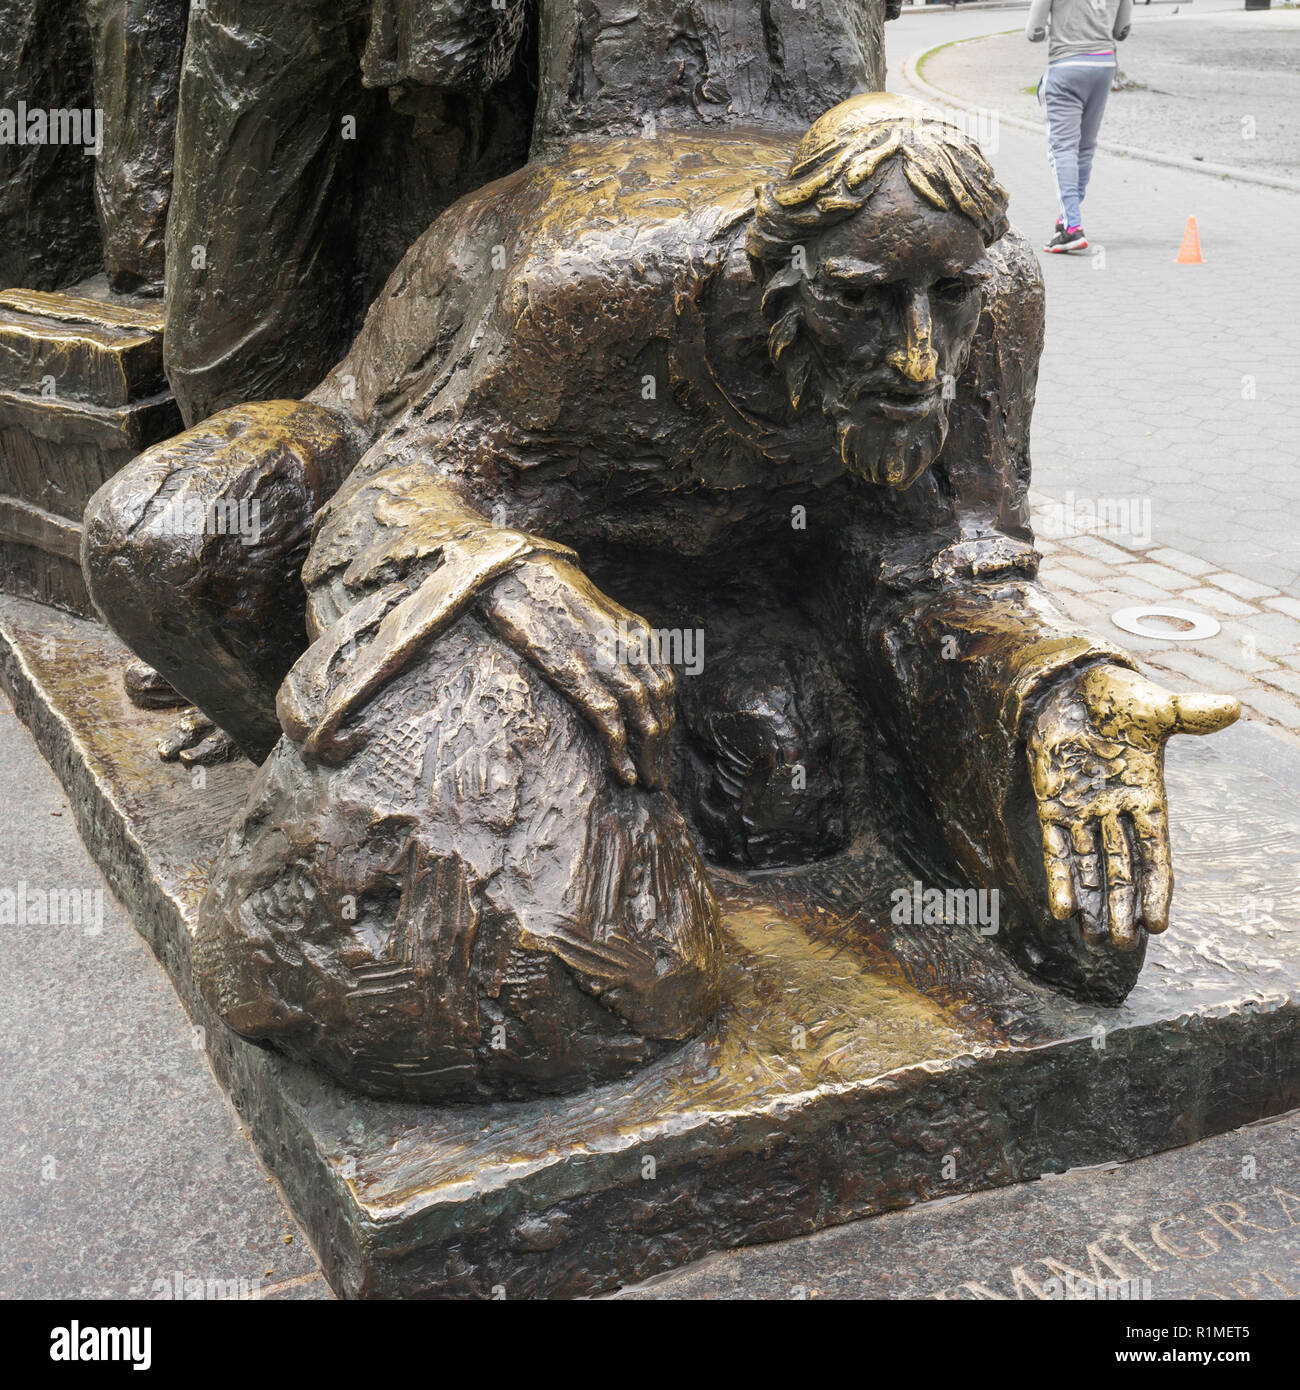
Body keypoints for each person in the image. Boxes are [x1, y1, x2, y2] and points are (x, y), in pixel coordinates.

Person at [1027, 0, 1134, 252]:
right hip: (1103, 65)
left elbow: (1033, 32)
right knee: (1085, 147)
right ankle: (1068, 216)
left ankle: (1072, 228)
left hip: (1066, 66)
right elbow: (1122, 31)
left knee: (1062, 148)